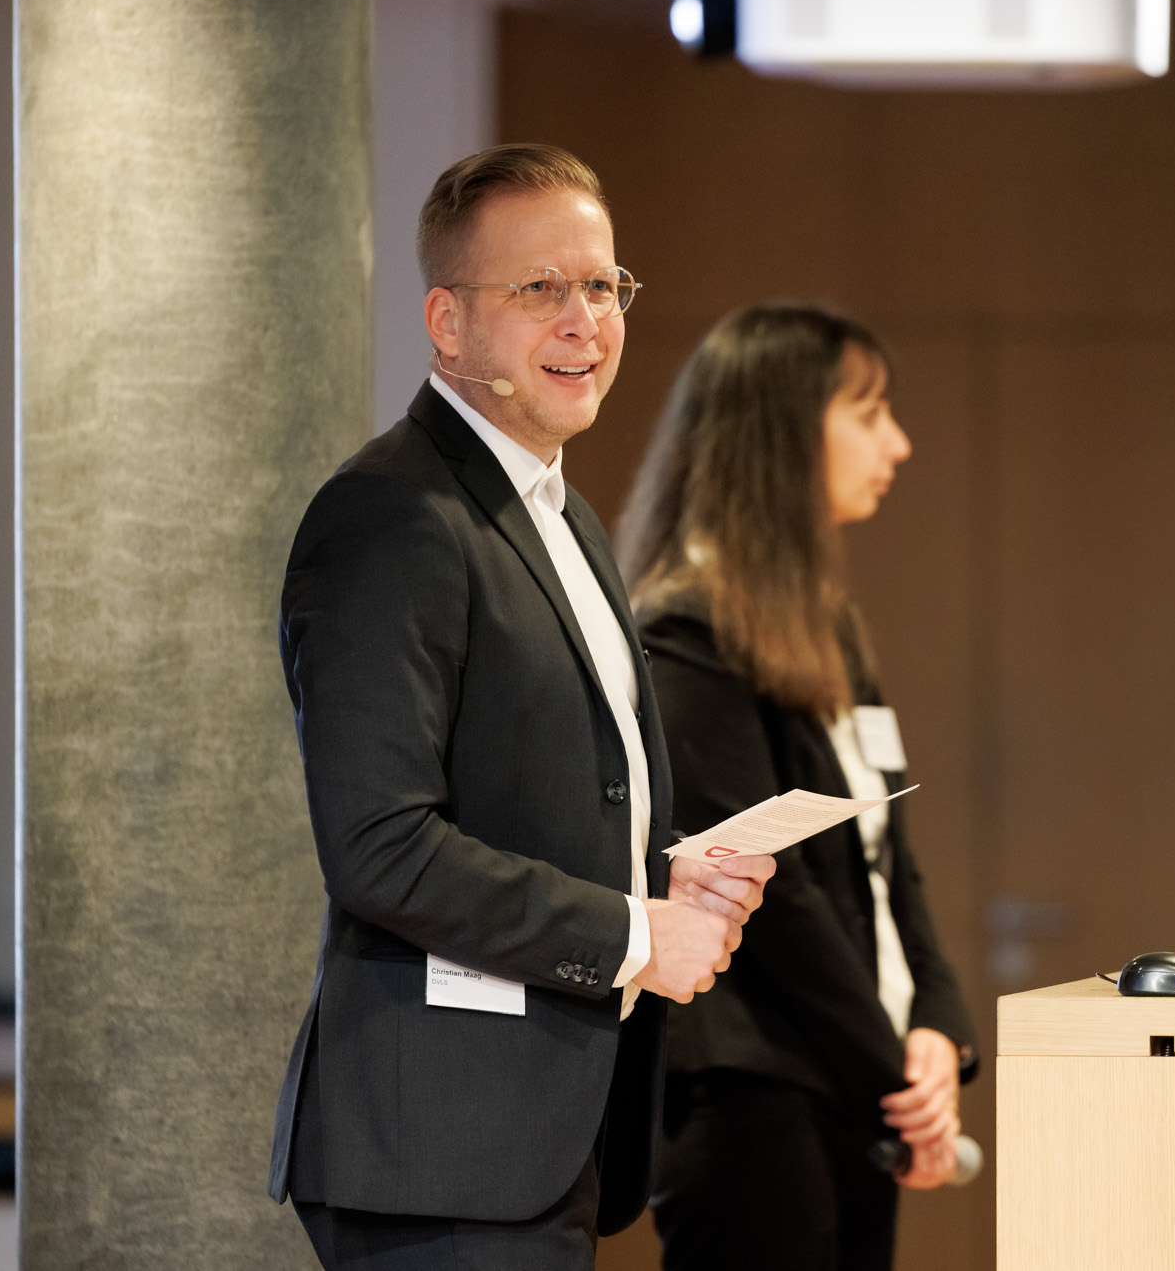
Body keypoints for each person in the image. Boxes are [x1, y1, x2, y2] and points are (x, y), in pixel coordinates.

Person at [265, 143, 775, 1271]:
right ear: (447, 323)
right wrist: (636, 934)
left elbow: (540, 790)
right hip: (438, 1147)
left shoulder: (563, 511)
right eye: (539, 288)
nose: (583, 320)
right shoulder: (390, 518)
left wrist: (658, 872)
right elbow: (379, 846)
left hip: (542, 1131)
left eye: (602, 285)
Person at [617, 304, 979, 1271]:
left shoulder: (829, 625)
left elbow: (888, 860)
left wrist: (940, 1032)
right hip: (749, 1097)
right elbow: (773, 898)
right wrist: (895, 1074)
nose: (895, 443)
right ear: (780, 432)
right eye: (867, 414)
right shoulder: (684, 629)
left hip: (848, 1082)